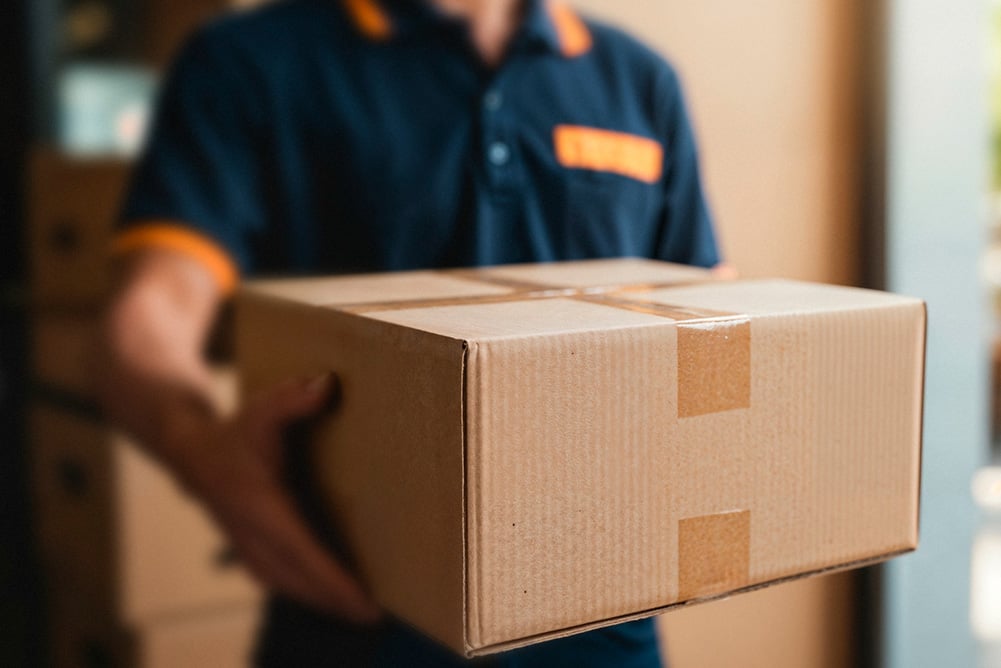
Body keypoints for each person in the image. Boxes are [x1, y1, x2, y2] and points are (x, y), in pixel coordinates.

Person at [98, 0, 724, 665]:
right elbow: (153, 308)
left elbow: (704, 312)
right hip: (359, 613)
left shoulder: (639, 80)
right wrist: (199, 448)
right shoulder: (252, 62)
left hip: (606, 610)